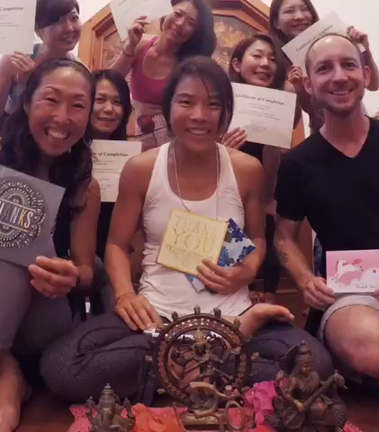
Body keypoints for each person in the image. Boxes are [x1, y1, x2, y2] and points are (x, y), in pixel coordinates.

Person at [40, 57, 333, 408]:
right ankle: (207, 366)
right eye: (186, 102)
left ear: (227, 113)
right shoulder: (141, 169)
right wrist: (125, 295)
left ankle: (181, 365)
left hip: (234, 314)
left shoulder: (246, 170)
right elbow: (116, 244)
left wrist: (247, 270)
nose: (199, 115)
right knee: (61, 365)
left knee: (315, 364)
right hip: (156, 318)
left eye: (213, 105)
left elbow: (257, 238)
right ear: (168, 108)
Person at [274, 33, 379, 432]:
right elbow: (283, 238)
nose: (339, 76)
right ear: (309, 84)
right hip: (352, 296)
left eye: (348, 65)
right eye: (324, 68)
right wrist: (305, 280)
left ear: (365, 73)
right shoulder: (298, 163)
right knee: (367, 346)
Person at [0, 58, 100, 432]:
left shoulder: (85, 186)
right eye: (51, 100)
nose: (62, 117)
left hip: (46, 312)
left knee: (15, 259)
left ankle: (6, 372)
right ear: (27, 103)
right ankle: (7, 371)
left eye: (78, 106)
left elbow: (88, 270)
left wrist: (71, 276)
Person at [224, 34, 289, 300]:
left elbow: (278, 161)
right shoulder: (222, 103)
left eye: (272, 59)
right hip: (227, 196)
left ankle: (268, 295)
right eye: (257, 56)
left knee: (270, 227)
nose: (265, 63)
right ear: (237, 64)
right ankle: (236, 295)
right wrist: (222, 149)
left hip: (267, 195)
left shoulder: (280, 103)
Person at [111, 0, 216, 150]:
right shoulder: (141, 44)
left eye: (191, 23)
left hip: (176, 138)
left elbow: (195, 108)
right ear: (166, 12)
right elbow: (110, 81)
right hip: (141, 135)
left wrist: (166, 109)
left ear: (195, 33)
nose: (180, 24)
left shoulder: (189, 66)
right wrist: (130, 46)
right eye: (177, 14)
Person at [268, 0, 379, 131]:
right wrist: (299, 90)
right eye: (289, 11)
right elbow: (292, 121)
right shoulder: (275, 63)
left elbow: (373, 85)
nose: (299, 16)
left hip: (359, 126)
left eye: (305, 9)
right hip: (322, 132)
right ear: (276, 22)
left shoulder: (336, 40)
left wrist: (364, 50)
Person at [0, 0, 81, 126]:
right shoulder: (16, 59)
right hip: (10, 130)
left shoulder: (79, 71)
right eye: (57, 21)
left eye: (74, 18)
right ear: (38, 30)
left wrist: (31, 85)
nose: (69, 28)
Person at [91, 69, 132, 262]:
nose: (109, 109)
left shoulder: (131, 160)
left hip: (112, 255)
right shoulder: (64, 150)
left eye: (117, 102)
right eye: (100, 100)